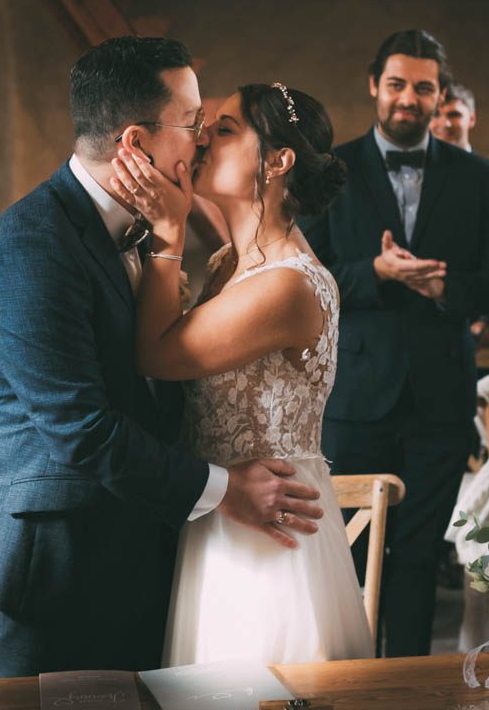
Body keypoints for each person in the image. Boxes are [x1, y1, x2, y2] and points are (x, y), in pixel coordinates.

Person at [0, 36, 325, 678]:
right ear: (135, 142)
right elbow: (82, 431)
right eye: (193, 123)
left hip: (147, 551)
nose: (202, 141)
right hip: (51, 570)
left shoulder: (155, 231)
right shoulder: (31, 249)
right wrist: (225, 489)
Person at [109, 82, 373, 665]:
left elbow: (157, 355)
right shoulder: (229, 263)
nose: (202, 138)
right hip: (223, 510)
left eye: (224, 130)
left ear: (278, 161)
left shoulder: (287, 284)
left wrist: (169, 233)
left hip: (267, 533)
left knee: (259, 701)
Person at [303, 28, 489, 657]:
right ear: (375, 85)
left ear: (439, 95)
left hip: (441, 399)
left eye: (423, 88)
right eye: (396, 84)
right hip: (354, 397)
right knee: (345, 554)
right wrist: (374, 273)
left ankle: (405, 688)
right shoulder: (330, 172)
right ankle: (344, 684)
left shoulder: (483, 178)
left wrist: (446, 286)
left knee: (419, 558)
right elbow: (304, 275)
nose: (408, 98)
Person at [430, 81, 489, 347]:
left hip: (477, 318)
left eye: (454, 114)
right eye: (437, 115)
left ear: (471, 118)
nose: (445, 123)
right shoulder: (417, 177)